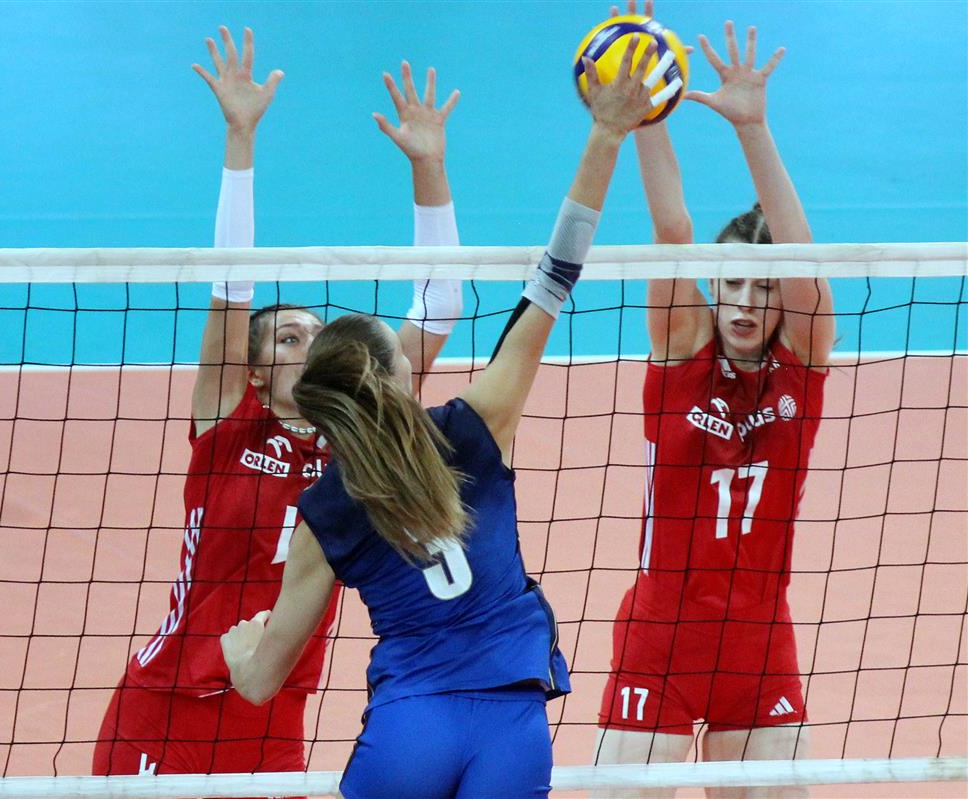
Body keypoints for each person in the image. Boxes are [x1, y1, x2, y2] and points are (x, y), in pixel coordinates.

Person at [221, 41, 665, 799]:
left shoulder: (324, 512)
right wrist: (606, 133)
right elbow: (555, 274)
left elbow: (261, 683)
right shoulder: (475, 427)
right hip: (511, 728)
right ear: (398, 371)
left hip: (409, 731)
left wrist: (241, 652)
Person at [92, 27, 466, 779]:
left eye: (319, 334)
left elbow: (440, 303)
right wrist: (240, 140)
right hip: (167, 703)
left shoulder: (359, 435)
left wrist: (429, 166)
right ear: (255, 373)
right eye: (289, 337)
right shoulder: (228, 423)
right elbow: (232, 282)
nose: (311, 343)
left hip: (273, 716)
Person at [592, 9, 835, 798]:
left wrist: (753, 129)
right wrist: (645, 112)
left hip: (759, 640)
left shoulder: (801, 365)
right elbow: (673, 228)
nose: (745, 302)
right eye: (731, 282)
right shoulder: (683, 348)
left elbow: (803, 265)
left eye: (763, 288)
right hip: (660, 633)